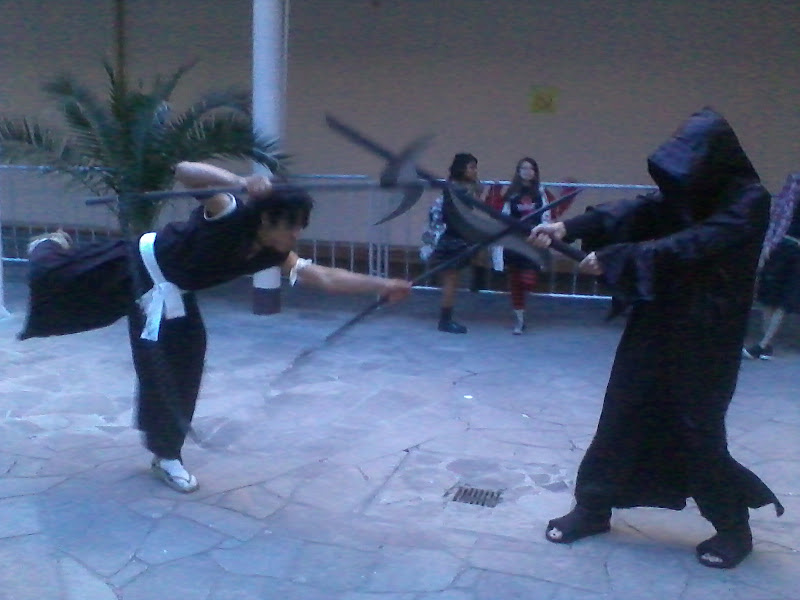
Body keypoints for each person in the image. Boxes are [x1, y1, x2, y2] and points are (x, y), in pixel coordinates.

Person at [20, 162, 412, 493]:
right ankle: (47, 243)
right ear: (266, 218)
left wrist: (382, 284)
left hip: (172, 296)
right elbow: (184, 171)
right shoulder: (229, 212)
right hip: (133, 266)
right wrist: (241, 181)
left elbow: (322, 276)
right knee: (51, 277)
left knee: (180, 367)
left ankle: (166, 454)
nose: (295, 235)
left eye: (299, 227)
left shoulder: (273, 252)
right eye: (290, 226)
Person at [529, 107, 784, 569]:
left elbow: (696, 243)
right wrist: (570, 227)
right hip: (658, 315)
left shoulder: (749, 201)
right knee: (622, 408)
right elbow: (641, 208)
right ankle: (593, 507)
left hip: (708, 331)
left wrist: (619, 258)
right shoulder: (690, 189)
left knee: (697, 428)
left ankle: (733, 527)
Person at [421, 152, 484, 333]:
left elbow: (477, 197)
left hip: (452, 234)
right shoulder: (457, 189)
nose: (475, 171)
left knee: (452, 278)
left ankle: (446, 317)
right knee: (451, 279)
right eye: (471, 167)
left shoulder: (459, 186)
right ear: (462, 168)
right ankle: (445, 320)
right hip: (449, 235)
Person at [742, 173, 800, 360]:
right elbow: (777, 215)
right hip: (782, 244)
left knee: (785, 300)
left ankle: (763, 344)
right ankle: (765, 345)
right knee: (768, 297)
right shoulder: (793, 182)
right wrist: (767, 245)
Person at [495, 157, 551, 334]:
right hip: (514, 243)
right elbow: (504, 216)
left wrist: (543, 233)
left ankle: (521, 315)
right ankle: (519, 320)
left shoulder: (540, 193)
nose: (527, 171)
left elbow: (546, 216)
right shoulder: (512, 193)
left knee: (528, 280)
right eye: (524, 168)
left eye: (530, 168)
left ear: (535, 172)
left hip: (532, 242)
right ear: (518, 171)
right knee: (515, 283)